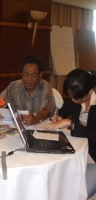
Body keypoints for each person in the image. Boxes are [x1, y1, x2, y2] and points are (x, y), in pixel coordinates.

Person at [44, 68, 96, 199]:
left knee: (77, 194)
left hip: (94, 159)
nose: (73, 101)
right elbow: (62, 111)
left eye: (77, 98)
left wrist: (70, 124)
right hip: (78, 153)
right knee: (56, 186)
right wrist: (58, 117)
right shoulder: (76, 97)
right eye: (70, 97)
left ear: (90, 91)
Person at [0, 55, 56, 125]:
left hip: (38, 127)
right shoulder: (14, 86)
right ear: (21, 73)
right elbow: (0, 102)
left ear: (40, 75)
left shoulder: (45, 86)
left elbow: (47, 109)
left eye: (33, 75)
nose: (29, 79)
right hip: (18, 127)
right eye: (26, 74)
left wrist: (37, 118)